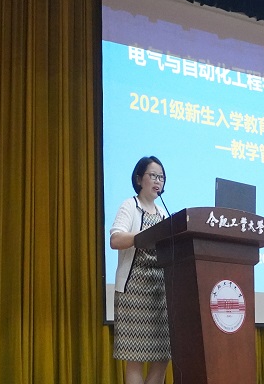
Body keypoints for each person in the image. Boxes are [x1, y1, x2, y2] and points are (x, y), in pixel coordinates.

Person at [110, 156, 171, 384]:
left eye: (161, 177)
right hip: (134, 290)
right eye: (153, 176)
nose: (158, 181)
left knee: (163, 355)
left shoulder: (163, 214)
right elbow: (116, 240)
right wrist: (145, 236)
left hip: (160, 293)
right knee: (135, 358)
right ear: (139, 179)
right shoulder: (130, 206)